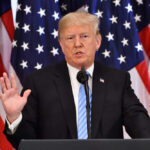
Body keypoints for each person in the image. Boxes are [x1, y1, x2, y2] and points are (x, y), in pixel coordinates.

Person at [1, 11, 150, 149]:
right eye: (70, 38)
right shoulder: (38, 82)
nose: (77, 44)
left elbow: (141, 126)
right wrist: (14, 117)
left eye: (84, 36)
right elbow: (24, 142)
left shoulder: (117, 80)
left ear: (97, 42)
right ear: (61, 45)